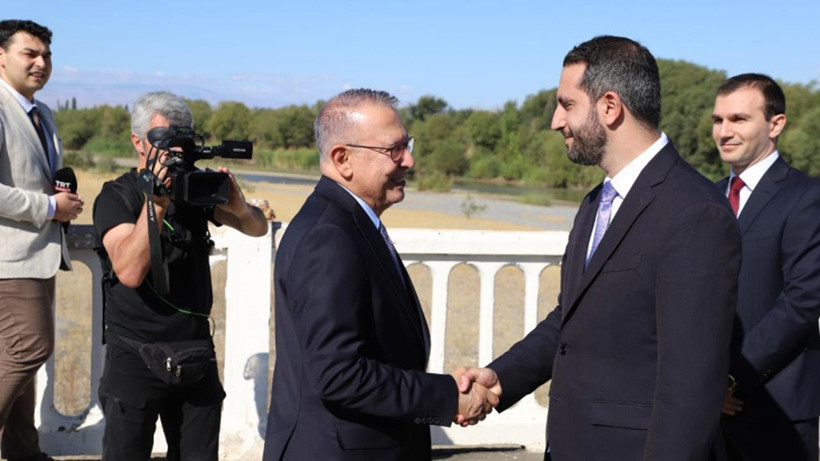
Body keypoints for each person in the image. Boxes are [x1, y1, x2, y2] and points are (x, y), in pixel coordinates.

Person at [456, 35, 742, 460]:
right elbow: (570, 321)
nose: (556, 121)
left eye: (567, 105)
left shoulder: (695, 213)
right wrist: (501, 378)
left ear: (610, 106)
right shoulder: (595, 203)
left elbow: (691, 388)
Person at [262, 88, 499, 461]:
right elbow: (338, 374)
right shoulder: (329, 237)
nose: (409, 160)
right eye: (394, 149)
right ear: (343, 159)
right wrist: (447, 395)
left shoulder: (348, 223)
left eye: (408, 145)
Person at [92, 91, 268, 461]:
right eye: (165, 142)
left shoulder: (194, 190)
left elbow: (256, 228)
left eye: (182, 142)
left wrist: (241, 207)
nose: (176, 153)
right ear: (138, 142)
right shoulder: (116, 196)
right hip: (135, 354)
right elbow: (129, 271)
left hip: (194, 352)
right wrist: (156, 202)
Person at [710, 73, 820, 461]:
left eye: (738, 119)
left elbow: (803, 302)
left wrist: (731, 378)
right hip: (706, 414)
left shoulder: (806, 197)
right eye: (718, 120)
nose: (724, 131)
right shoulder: (704, 198)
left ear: (776, 124)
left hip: (777, 412)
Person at [0, 19, 83, 461]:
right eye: (29, 53)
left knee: (18, 365)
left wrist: (62, 200)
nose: (40, 62)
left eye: (46, 55)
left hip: (41, 257)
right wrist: (50, 208)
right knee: (30, 348)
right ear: (1, 56)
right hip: (8, 260)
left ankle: (23, 453)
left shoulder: (42, 113)